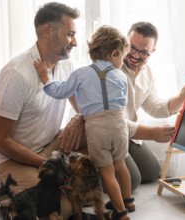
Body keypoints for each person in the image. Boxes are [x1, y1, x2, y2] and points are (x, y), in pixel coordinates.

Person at [0, 2, 84, 219]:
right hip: (8, 155)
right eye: (70, 34)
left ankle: (15, 187)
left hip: (48, 145)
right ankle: (8, 193)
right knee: (62, 210)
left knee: (91, 132)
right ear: (48, 31)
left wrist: (80, 118)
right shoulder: (17, 74)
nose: (75, 41)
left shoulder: (66, 66)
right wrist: (48, 165)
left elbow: (83, 108)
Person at [34, 25, 133, 220]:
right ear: (114, 53)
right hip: (119, 124)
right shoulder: (120, 75)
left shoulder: (81, 74)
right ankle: (128, 201)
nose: (122, 61)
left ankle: (120, 213)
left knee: (107, 171)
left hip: (97, 128)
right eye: (122, 56)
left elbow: (60, 91)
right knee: (121, 165)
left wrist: (45, 77)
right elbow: (124, 102)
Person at [121, 21, 185, 191]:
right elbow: (112, 121)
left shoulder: (147, 72)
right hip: (111, 134)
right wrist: (150, 133)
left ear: (152, 52)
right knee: (132, 182)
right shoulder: (113, 69)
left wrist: (181, 96)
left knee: (151, 172)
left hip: (130, 133)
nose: (135, 55)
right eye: (131, 47)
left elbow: (154, 106)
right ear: (124, 42)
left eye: (143, 52)